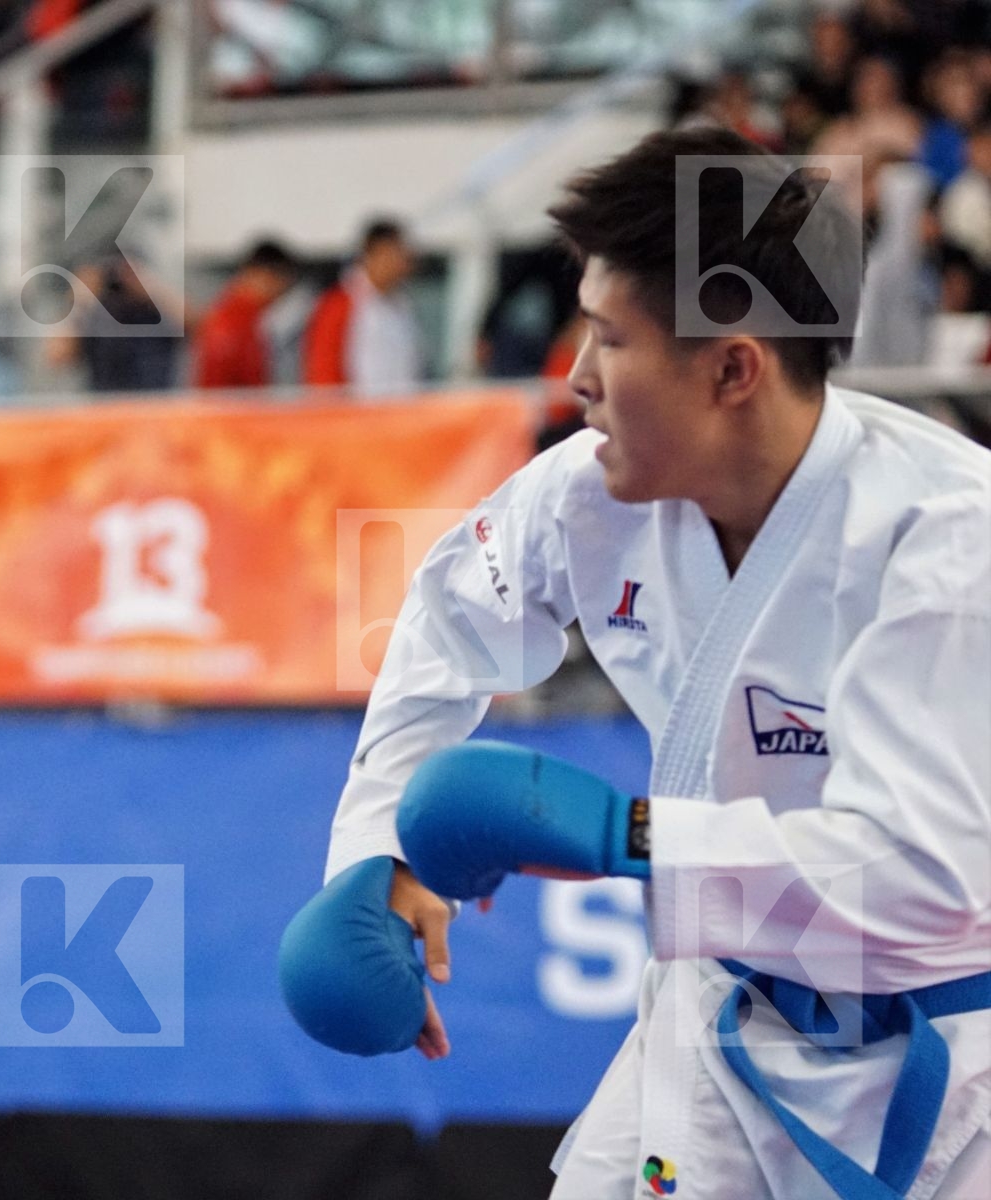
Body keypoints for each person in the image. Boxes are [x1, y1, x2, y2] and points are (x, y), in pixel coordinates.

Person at [281, 127, 990, 1198]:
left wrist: (627, 837)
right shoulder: (584, 497)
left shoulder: (944, 542)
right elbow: (440, 635)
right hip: (712, 1023)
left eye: (609, 340)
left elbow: (919, 882)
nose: (573, 379)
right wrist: (380, 857)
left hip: (932, 1069)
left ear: (733, 369)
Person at [303, 218, 422, 396]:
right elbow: (322, 368)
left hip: (402, 415)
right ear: (376, 254)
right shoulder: (341, 303)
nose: (403, 264)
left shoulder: (402, 305)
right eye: (397, 255)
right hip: (358, 416)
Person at [192, 238, 298, 390]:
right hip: (233, 409)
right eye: (281, 284)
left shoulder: (223, 312)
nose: (278, 295)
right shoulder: (238, 322)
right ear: (264, 275)